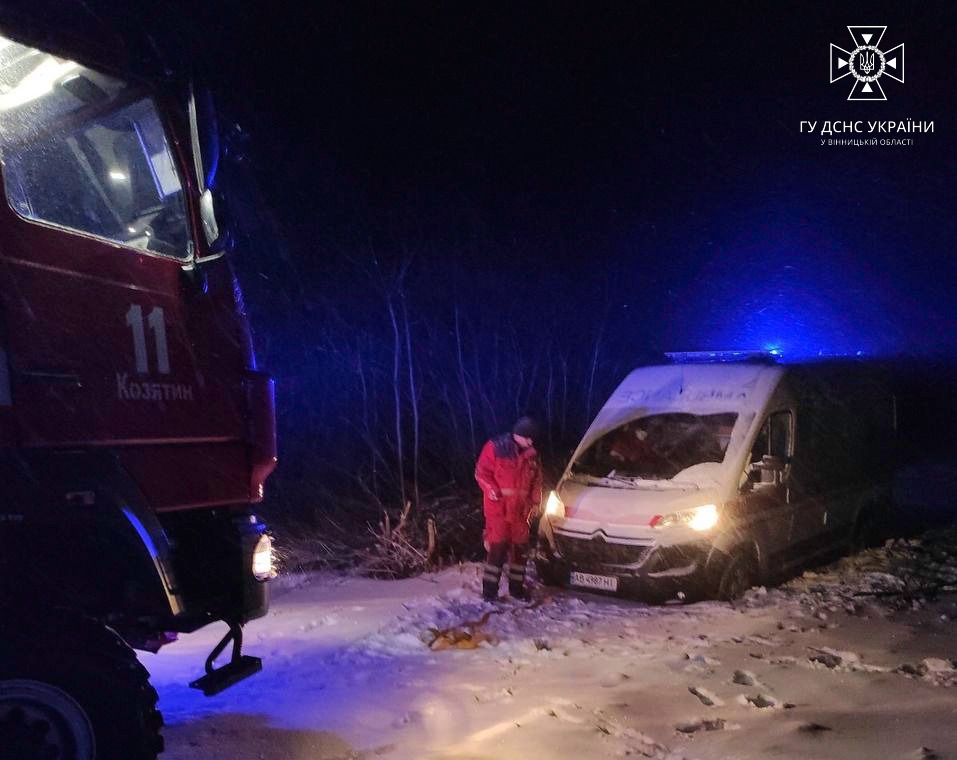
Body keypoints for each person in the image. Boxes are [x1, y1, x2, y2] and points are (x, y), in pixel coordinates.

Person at [474, 416, 544, 601]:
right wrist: (491, 489)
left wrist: (536, 503)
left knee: (520, 554)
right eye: (528, 437)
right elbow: (481, 472)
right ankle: (489, 593)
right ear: (518, 434)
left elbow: (537, 481)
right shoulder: (495, 447)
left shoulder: (532, 455)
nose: (531, 441)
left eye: (532, 439)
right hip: (499, 510)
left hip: (521, 512)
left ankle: (516, 590)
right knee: (496, 552)